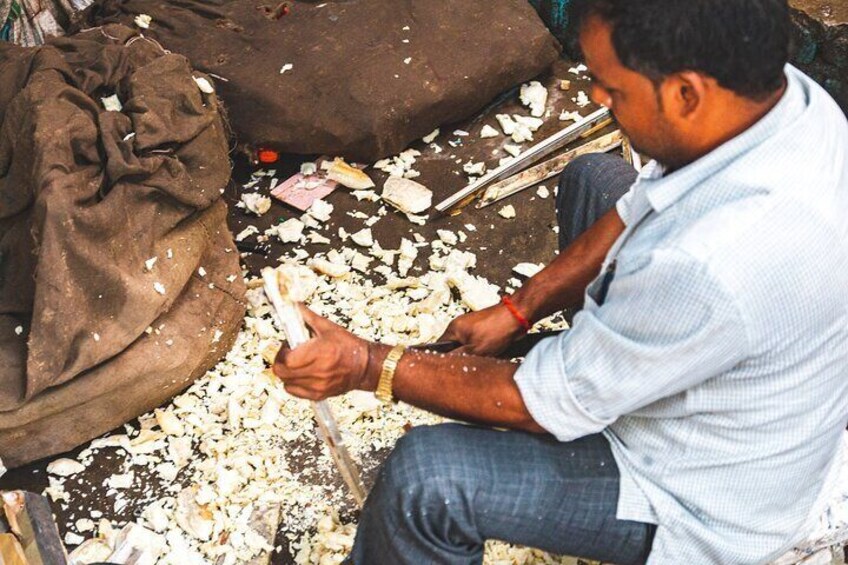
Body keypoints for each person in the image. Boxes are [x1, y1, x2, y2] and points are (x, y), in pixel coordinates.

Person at [272, 0, 848, 562]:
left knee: (428, 481)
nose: (597, 97)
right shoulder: (790, 101)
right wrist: (516, 310)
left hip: (702, 492)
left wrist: (369, 365)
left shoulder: (709, 261)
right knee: (592, 177)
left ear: (686, 93)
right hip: (749, 374)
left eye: (613, 89)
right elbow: (638, 204)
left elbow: (541, 404)